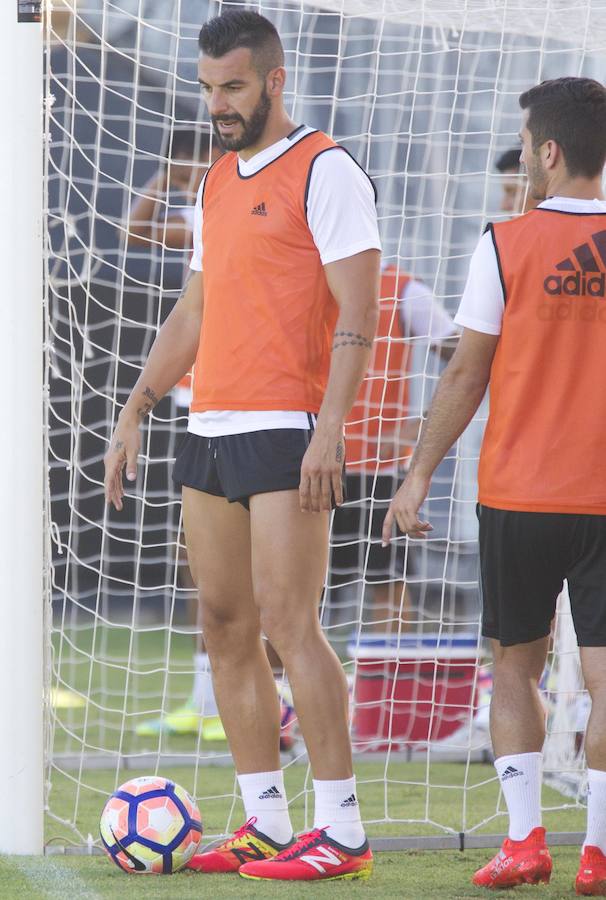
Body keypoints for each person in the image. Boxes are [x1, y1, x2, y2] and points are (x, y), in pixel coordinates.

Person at [104, 9, 381, 884]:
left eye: (234, 86)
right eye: (209, 88)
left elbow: (360, 318)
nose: (220, 104)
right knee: (224, 626)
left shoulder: (327, 169)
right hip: (209, 422)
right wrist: (138, 405)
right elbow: (194, 309)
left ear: (274, 78)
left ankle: (342, 832)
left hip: (288, 425)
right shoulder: (213, 180)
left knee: (292, 625)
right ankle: (266, 822)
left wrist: (329, 430)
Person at [382, 76, 606, 894]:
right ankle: (598, 853)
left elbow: (465, 373)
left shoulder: (503, 243)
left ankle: (525, 844)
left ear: (548, 152)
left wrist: (417, 477)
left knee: (515, 666)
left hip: (520, 494)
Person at [124, 128, 228, 741]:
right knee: (196, 564)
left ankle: (273, 699)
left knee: (256, 576)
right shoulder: (193, 211)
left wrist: (190, 178)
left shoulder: (223, 209)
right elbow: (134, 229)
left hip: (247, 404)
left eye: (194, 160)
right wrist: (169, 177)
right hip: (194, 402)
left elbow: (141, 230)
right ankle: (202, 696)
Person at [329, 265, 457, 633]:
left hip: (378, 471)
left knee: (389, 584)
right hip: (309, 463)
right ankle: (283, 689)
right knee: (294, 588)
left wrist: (421, 425)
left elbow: (468, 359)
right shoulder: (305, 276)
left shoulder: (404, 290)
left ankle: (385, 686)